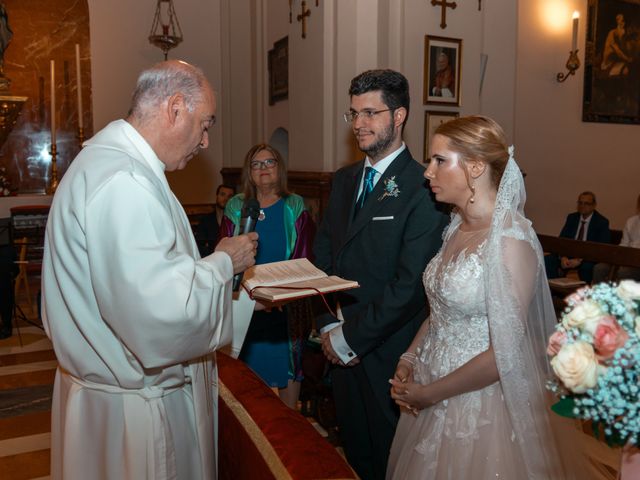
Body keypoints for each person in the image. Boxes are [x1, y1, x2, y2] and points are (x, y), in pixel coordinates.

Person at [41, 60, 258, 480]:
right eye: (205, 123)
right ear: (175, 108)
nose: (205, 139)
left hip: (110, 404)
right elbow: (159, 314)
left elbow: (147, 280)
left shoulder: (114, 166)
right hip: (135, 419)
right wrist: (223, 263)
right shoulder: (125, 182)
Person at [386, 116, 587, 479]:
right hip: (430, 383)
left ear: (476, 166)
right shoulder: (455, 227)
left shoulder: (510, 241)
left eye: (439, 161)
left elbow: (504, 354)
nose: (428, 172)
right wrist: (410, 356)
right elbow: (442, 311)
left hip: (480, 402)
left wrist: (430, 394)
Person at [314, 69, 447, 480]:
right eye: (353, 113)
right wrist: (325, 325)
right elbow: (321, 259)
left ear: (400, 115)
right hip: (337, 343)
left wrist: (350, 338)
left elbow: (410, 286)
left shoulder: (422, 185)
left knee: (393, 462)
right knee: (354, 457)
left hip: (388, 352)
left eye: (371, 113)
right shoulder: (343, 179)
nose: (358, 124)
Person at [220, 143, 315, 409]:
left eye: (269, 162)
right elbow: (223, 257)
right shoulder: (236, 206)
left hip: (285, 307)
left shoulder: (294, 205)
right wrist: (250, 297)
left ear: (279, 168)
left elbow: (303, 258)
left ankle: (287, 436)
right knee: (244, 379)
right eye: (256, 164)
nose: (263, 168)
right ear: (249, 173)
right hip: (244, 304)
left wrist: (280, 297)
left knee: (287, 372)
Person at [544, 191, 611, 283]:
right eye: (580, 203)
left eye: (586, 203)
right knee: (548, 260)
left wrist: (580, 260)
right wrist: (563, 257)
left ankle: (583, 293)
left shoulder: (601, 222)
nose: (583, 206)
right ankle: (555, 289)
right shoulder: (572, 218)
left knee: (587, 267)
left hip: (588, 257)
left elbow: (600, 248)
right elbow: (562, 240)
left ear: (594, 205)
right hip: (569, 255)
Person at [593, 193, 640, 283]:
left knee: (624, 273)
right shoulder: (631, 221)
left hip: (637, 263)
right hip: (626, 258)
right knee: (599, 268)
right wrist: (619, 258)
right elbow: (624, 244)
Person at [195, 183, 235, 256]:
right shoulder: (205, 220)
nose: (226, 199)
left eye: (230, 196)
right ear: (217, 196)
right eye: (222, 194)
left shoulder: (236, 221)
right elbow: (199, 245)